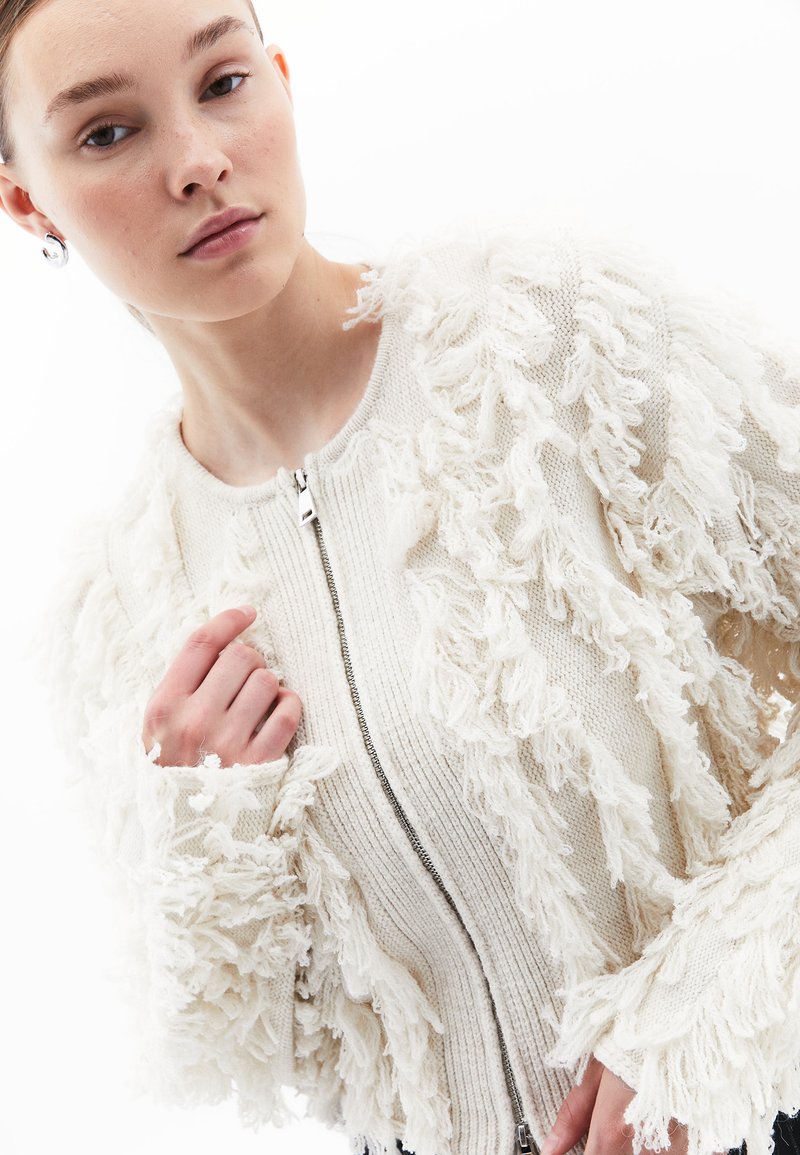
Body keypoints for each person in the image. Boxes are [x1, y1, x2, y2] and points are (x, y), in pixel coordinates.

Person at [1, 2, 799, 1154]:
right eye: (107, 133)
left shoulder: (551, 341)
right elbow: (259, 1056)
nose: (198, 161)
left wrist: (698, 1030)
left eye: (221, 83)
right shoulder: (119, 608)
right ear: (28, 201)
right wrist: (204, 820)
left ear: (279, 78)